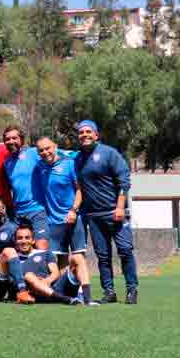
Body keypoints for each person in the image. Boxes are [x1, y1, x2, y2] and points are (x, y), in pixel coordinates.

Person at [74, 120, 139, 304]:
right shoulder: (78, 159)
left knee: (125, 251)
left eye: (88, 132)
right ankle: (109, 292)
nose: (84, 135)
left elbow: (123, 181)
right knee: (103, 256)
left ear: (96, 135)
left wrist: (119, 207)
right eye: (81, 132)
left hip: (114, 213)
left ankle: (132, 289)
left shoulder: (109, 153)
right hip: (94, 216)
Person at [33, 136, 95, 305]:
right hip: (53, 222)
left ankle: (86, 296)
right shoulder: (39, 167)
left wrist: (73, 210)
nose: (45, 152)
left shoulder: (69, 163)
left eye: (48, 148)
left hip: (73, 218)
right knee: (60, 262)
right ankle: (66, 294)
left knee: (78, 257)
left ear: (55, 147)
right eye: (41, 150)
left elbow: (80, 190)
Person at [0, 224, 88, 305]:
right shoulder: (11, 258)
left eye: (27, 238)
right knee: (29, 275)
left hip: (52, 288)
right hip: (30, 294)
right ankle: (64, 299)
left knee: (77, 257)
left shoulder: (45, 253)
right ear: (15, 241)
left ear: (33, 240)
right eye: (20, 238)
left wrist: (47, 281)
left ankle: (88, 299)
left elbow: (55, 273)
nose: (24, 241)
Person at [2, 126, 50, 249]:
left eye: (14, 138)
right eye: (7, 139)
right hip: (18, 213)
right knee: (18, 248)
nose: (11, 141)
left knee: (41, 247)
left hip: (37, 210)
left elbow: (57, 155)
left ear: (21, 140)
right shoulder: (7, 162)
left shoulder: (34, 153)